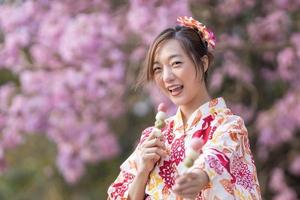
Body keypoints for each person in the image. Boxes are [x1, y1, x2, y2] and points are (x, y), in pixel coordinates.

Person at [107, 16, 261, 200]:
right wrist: (142, 171)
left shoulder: (229, 126)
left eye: (176, 64)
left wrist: (199, 177)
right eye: (158, 69)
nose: (166, 77)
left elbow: (215, 159)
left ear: (203, 63)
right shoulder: (153, 137)